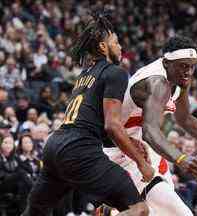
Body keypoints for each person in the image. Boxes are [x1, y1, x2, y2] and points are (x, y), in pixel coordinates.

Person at [22, 8, 154, 216]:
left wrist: (129, 140)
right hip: (79, 150)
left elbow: (96, 126)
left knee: (35, 212)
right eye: (116, 42)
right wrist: (141, 162)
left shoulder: (84, 75)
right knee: (138, 209)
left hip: (54, 146)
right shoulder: (116, 73)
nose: (121, 47)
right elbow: (112, 125)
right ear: (103, 46)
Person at [104, 36, 197, 215]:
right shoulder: (156, 83)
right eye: (184, 65)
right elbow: (150, 131)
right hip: (117, 151)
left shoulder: (180, 78)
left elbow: (185, 119)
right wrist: (181, 159)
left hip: (144, 148)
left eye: (192, 66)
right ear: (166, 62)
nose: (188, 72)